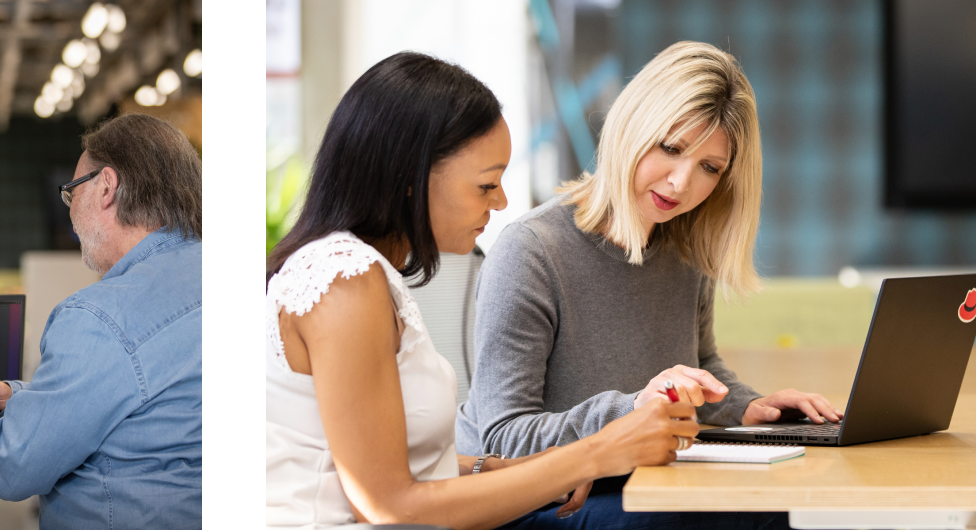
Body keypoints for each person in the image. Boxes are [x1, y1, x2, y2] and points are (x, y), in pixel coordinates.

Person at [255, 52, 777, 530]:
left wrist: (498, 468)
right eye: (486, 184)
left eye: (710, 168)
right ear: (411, 178)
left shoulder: (368, 279)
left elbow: (398, 470)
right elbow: (390, 504)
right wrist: (595, 451)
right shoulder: (344, 282)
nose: (502, 202)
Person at [460, 41, 829, 523]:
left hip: (641, 478)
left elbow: (699, 363)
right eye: (670, 149)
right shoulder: (530, 251)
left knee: (760, 508)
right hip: (541, 497)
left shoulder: (683, 249)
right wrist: (634, 409)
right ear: (632, 129)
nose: (680, 184)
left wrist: (748, 407)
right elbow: (503, 437)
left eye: (709, 168)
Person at [0, 112, 203, 529]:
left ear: (106, 188)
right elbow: (140, 407)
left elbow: (11, 466)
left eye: (72, 191)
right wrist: (19, 397)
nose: (71, 212)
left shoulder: (98, 318)